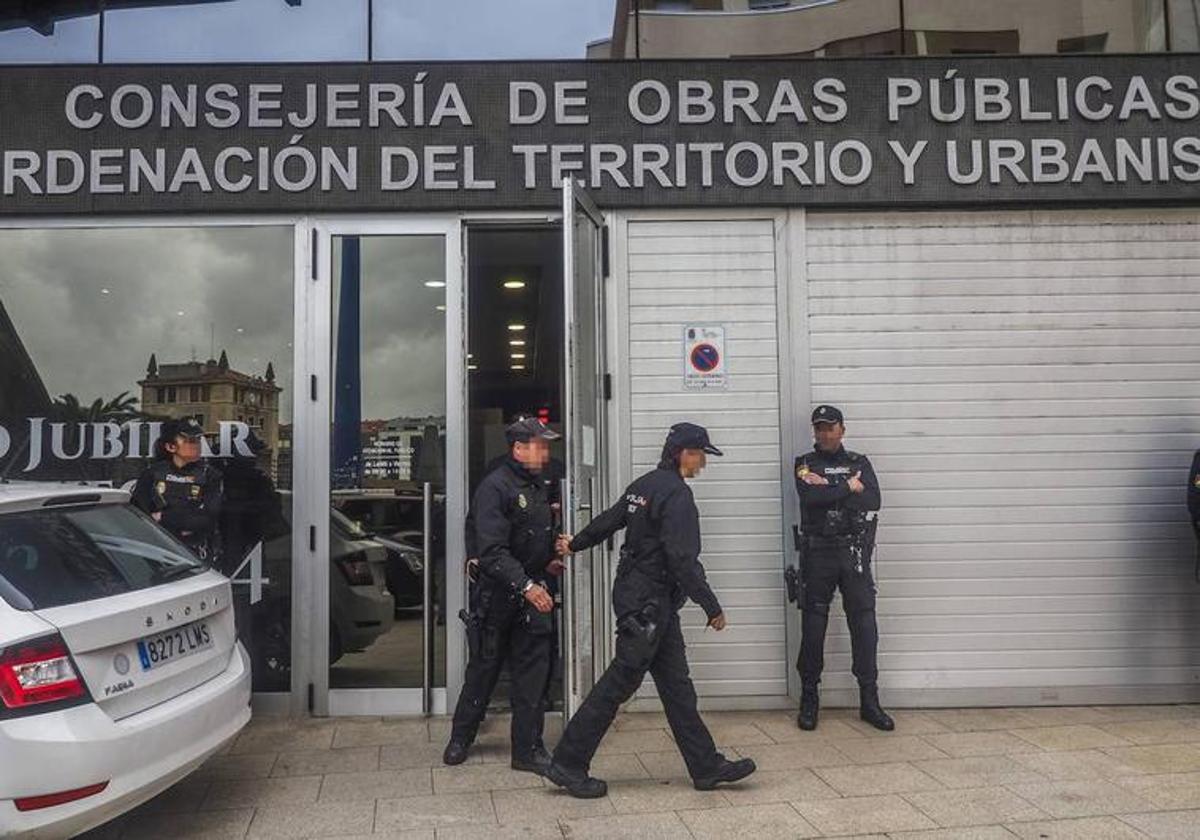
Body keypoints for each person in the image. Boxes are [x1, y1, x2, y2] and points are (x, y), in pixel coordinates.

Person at [545, 422, 757, 799]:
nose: (703, 464)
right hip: (648, 605)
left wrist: (575, 543)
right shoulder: (677, 497)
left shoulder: (642, 486)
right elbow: (682, 560)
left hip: (647, 603)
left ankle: (705, 766)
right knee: (617, 685)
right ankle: (568, 762)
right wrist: (711, 606)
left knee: (677, 688)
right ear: (683, 454)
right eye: (701, 455)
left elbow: (609, 521)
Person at [444, 417, 562, 773]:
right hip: (499, 596)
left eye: (546, 445)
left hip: (533, 593)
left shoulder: (539, 486)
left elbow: (531, 538)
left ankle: (527, 750)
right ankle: (460, 738)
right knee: (484, 670)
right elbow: (492, 550)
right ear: (519, 448)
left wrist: (550, 562)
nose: (545, 452)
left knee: (532, 676)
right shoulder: (495, 487)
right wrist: (527, 586)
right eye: (539, 445)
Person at [793, 404, 893, 732]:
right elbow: (809, 499)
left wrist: (830, 490)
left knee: (864, 626)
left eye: (830, 427)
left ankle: (869, 700)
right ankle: (809, 699)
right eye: (819, 427)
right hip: (818, 554)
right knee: (813, 628)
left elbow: (873, 501)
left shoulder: (858, 463)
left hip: (853, 553)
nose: (824, 433)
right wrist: (849, 488)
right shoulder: (804, 464)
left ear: (842, 430)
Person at [131, 417, 223, 565]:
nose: (196, 445)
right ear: (170, 447)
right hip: (158, 552)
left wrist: (163, 517)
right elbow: (140, 515)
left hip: (195, 553)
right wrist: (182, 520)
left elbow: (208, 518)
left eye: (198, 440)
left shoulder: (209, 475)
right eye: (189, 440)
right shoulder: (153, 473)